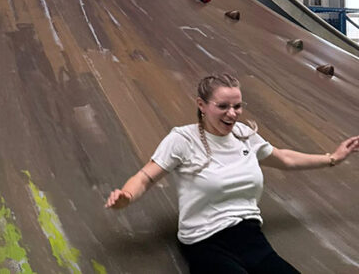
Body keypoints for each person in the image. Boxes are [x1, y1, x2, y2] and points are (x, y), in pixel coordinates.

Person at [105, 73, 358, 273]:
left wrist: (333, 158)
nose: (232, 113)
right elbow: (146, 176)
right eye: (223, 106)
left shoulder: (245, 135)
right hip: (205, 241)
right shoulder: (182, 139)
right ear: (201, 105)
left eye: (237, 106)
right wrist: (127, 195)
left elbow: (285, 158)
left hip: (250, 237)